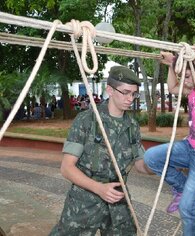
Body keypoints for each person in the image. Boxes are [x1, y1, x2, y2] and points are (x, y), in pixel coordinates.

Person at [49, 65, 152, 236]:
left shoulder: (132, 126)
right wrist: (99, 188)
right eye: (125, 92)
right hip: (84, 200)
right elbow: (67, 168)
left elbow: (141, 164)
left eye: (134, 94)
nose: (130, 98)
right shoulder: (87, 120)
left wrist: (163, 164)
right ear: (110, 90)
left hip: (118, 200)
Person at [144, 44, 195, 236]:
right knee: (152, 158)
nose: (185, 81)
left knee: (187, 208)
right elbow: (173, 87)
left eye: (188, 76)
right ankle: (181, 187)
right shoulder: (192, 91)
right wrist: (173, 65)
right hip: (190, 147)